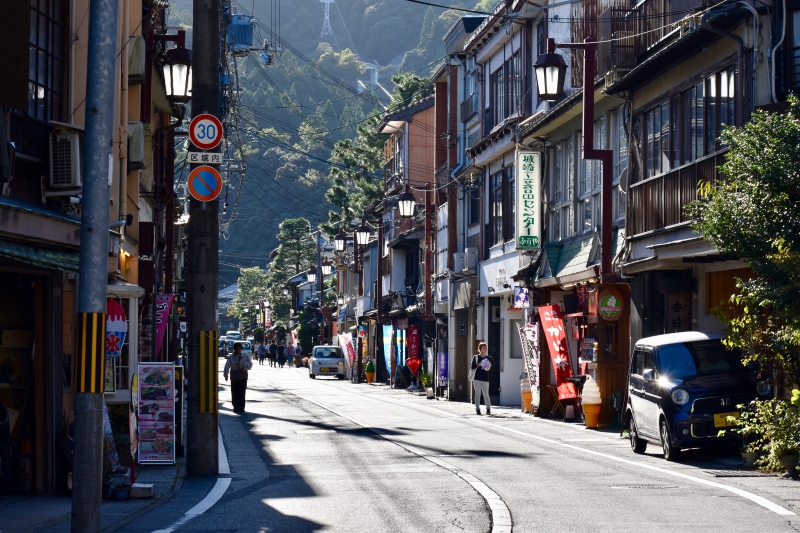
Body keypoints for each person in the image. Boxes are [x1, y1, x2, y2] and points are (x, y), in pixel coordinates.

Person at [224, 342, 253, 413]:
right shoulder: (231, 357)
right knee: (234, 392)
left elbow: (250, 364)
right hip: (234, 377)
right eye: (237, 349)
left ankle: (241, 407)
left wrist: (245, 368)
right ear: (234, 349)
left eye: (240, 349)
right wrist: (226, 374)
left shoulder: (245, 356)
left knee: (242, 392)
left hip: (243, 376)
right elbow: (227, 366)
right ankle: (235, 407)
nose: (238, 350)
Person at [472, 342, 494, 415]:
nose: (485, 349)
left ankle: (488, 408)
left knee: (486, 394)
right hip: (477, 378)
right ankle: (477, 409)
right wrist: (478, 365)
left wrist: (490, 365)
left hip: (485, 378)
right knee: (477, 394)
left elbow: (492, 367)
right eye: (483, 347)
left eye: (486, 347)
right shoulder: (476, 357)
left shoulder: (489, 358)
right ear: (480, 349)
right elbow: (472, 367)